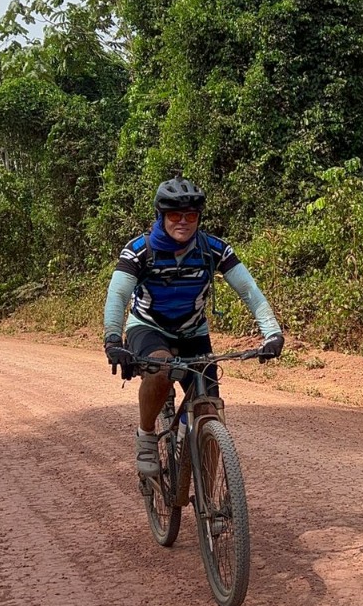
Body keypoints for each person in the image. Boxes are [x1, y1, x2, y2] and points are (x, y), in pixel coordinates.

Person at [103, 175, 284, 480]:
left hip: (193, 332)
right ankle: (147, 436)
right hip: (148, 326)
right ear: (161, 216)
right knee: (159, 370)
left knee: (210, 411)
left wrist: (272, 332)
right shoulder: (139, 250)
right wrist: (112, 338)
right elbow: (119, 294)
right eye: (175, 215)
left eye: (191, 216)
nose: (183, 222)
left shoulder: (213, 249)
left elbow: (249, 291)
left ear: (199, 217)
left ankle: (214, 511)